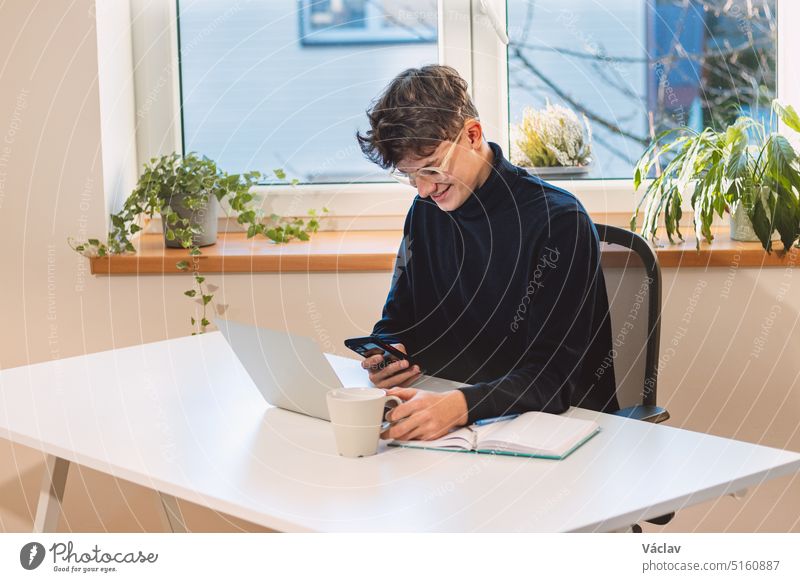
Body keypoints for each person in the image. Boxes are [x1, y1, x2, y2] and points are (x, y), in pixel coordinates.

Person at [355, 64, 618, 442]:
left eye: (431, 169)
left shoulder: (558, 222)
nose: (424, 190)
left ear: (472, 135)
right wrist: (389, 354)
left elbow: (554, 378)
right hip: (453, 430)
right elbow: (399, 319)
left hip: (556, 434)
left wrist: (459, 406)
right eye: (411, 177)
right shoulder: (426, 212)